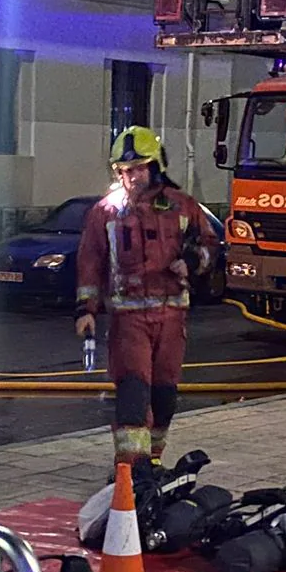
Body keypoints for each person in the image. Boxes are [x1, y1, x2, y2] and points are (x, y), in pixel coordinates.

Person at [74, 126, 215, 470]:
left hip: (171, 317)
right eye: (124, 171)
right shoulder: (106, 212)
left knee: (165, 396)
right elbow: (90, 261)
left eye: (138, 168)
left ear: (155, 166)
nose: (131, 177)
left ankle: (152, 463)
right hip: (129, 320)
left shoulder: (182, 206)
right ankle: (129, 469)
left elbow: (211, 244)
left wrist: (195, 260)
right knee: (134, 393)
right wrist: (85, 309)